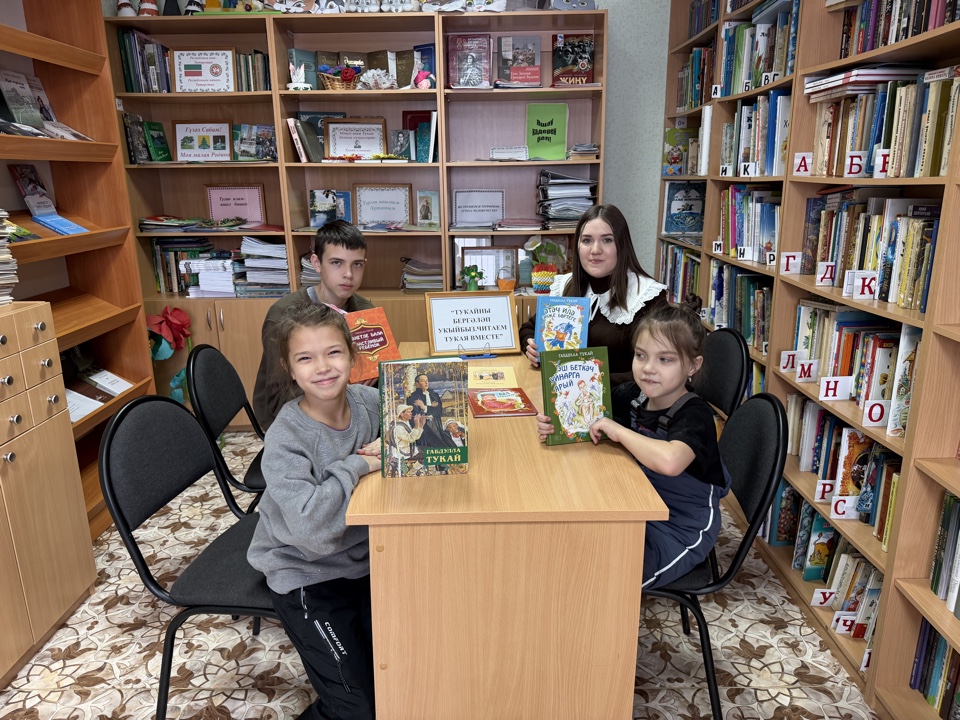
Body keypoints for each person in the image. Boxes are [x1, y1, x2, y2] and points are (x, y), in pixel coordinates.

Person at [535, 301, 731, 590]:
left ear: (693, 365)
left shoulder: (695, 415)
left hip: (679, 528)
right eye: (641, 356)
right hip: (637, 504)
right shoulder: (633, 394)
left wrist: (617, 430)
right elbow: (587, 413)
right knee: (563, 550)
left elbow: (670, 461)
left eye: (665, 360)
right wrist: (556, 422)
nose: (648, 369)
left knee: (602, 582)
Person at [247, 301, 381, 720]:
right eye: (305, 358)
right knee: (357, 709)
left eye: (333, 352)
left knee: (407, 671)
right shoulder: (286, 436)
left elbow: (427, 422)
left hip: (367, 561)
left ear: (352, 355)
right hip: (308, 573)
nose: (322, 367)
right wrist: (357, 465)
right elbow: (311, 531)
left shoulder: (370, 402)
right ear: (289, 368)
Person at [518, 204, 669, 387]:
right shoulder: (566, 284)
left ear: (622, 245)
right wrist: (530, 345)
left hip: (621, 399)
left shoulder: (646, 296)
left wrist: (588, 380)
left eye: (607, 240)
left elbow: (658, 369)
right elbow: (529, 327)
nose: (595, 250)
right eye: (587, 240)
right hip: (564, 392)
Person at [254, 220, 374, 430]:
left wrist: (374, 371)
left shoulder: (365, 311)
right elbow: (279, 392)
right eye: (336, 263)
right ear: (316, 263)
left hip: (344, 405)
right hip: (287, 411)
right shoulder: (282, 315)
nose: (348, 274)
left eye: (357, 264)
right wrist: (343, 387)